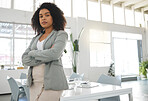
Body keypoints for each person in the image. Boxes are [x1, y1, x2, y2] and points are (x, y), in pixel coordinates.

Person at [22, 2, 68, 101]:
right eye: (41, 16)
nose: (43, 18)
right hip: (34, 83)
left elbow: (54, 54)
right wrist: (46, 56)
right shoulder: (36, 38)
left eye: (47, 15)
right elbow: (25, 59)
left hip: (52, 82)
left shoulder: (61, 34)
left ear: (54, 17)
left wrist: (33, 53)